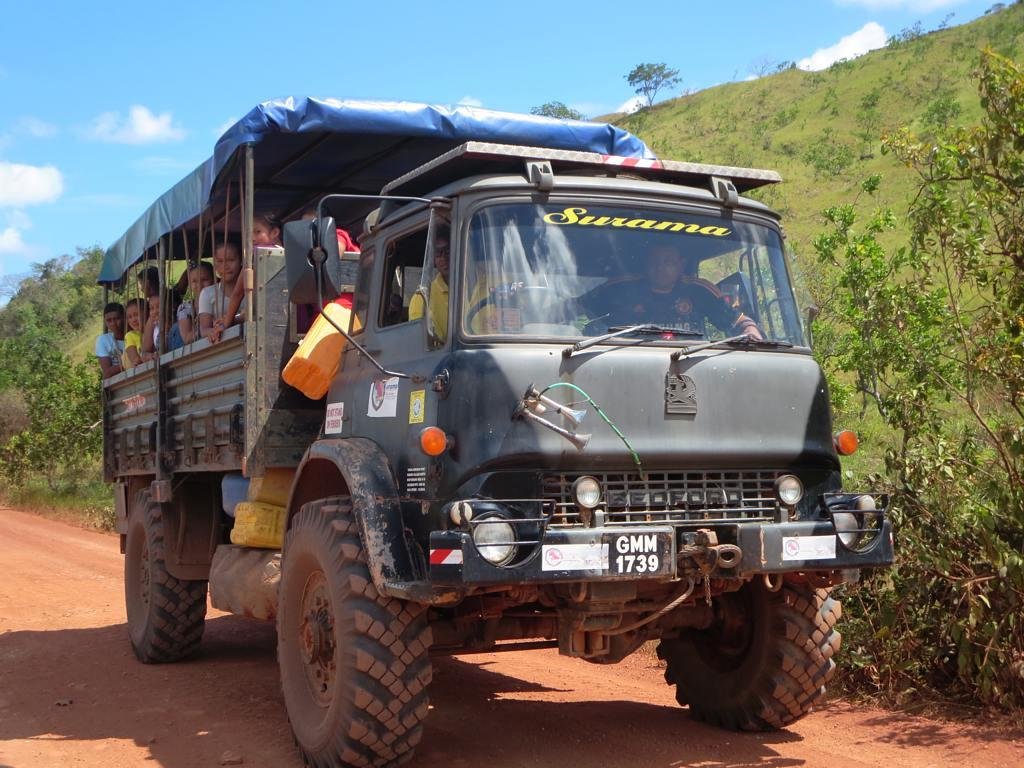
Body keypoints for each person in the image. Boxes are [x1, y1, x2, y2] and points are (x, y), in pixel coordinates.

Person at [586, 244, 763, 340]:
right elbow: (577, 307)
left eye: (667, 261)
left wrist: (750, 331)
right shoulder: (619, 288)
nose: (659, 267)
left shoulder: (699, 291)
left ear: (681, 265)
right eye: (654, 261)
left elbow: (737, 320)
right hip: (623, 361)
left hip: (690, 363)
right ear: (646, 264)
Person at [408, 231, 450, 340]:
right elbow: (421, 342)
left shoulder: (480, 285)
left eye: (448, 251)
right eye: (438, 253)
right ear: (433, 260)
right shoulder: (422, 298)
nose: (444, 258)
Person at [199, 240, 243, 343]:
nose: (225, 266)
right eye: (220, 261)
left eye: (231, 260)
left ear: (241, 261)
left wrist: (232, 319)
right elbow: (204, 329)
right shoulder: (207, 294)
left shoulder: (250, 291)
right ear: (214, 263)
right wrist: (212, 332)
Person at [177, 261, 215, 345]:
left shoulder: (219, 301)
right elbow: (187, 338)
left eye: (204, 280)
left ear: (214, 279)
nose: (200, 285)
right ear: (189, 285)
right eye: (194, 281)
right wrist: (206, 331)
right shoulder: (185, 308)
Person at [96, 302, 125, 379]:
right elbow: (107, 372)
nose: (113, 323)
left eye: (116, 319)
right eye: (109, 320)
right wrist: (129, 364)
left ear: (124, 317)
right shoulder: (103, 340)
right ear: (105, 322)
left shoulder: (134, 336)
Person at [122, 298, 148, 368]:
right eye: (129, 317)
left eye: (136, 315)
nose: (133, 320)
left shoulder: (155, 330)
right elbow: (135, 360)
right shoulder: (130, 336)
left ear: (146, 313)